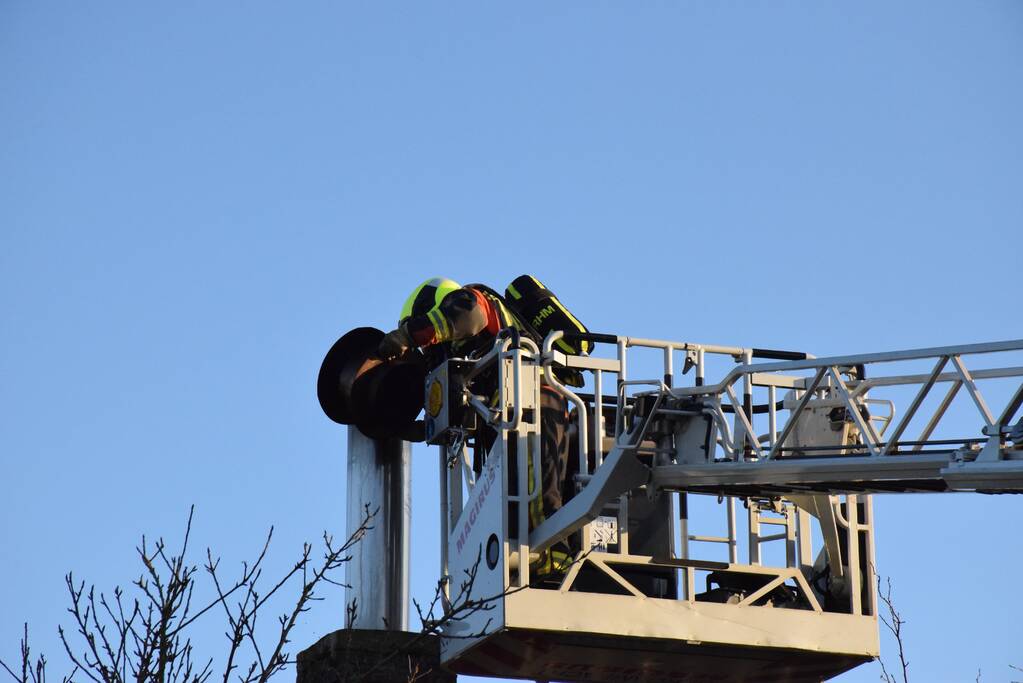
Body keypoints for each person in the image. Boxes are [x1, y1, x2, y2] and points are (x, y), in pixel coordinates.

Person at [378, 277, 574, 571]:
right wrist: (413, 429)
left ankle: (556, 557)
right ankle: (529, 563)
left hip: (535, 400)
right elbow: (453, 407)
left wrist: (408, 335)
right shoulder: (466, 354)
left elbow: (467, 317)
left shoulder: (471, 301)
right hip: (503, 417)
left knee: (537, 486)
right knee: (505, 497)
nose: (432, 349)